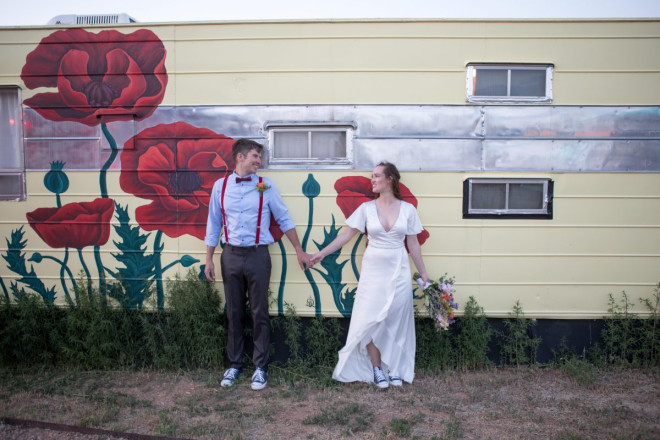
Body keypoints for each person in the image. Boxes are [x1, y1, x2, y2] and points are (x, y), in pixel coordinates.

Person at [205, 138, 312, 391]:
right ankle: (234, 365)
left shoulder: (264, 185)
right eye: (255, 156)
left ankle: (260, 367)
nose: (259, 161)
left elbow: (283, 217)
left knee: (259, 312)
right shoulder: (220, 187)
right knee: (233, 312)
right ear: (240, 157)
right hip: (229, 255)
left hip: (257, 255)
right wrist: (208, 258)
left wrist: (299, 250)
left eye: (259, 156)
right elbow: (213, 222)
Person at [311, 161, 429, 388]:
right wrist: (320, 254)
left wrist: (424, 274)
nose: (372, 180)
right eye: (372, 176)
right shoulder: (366, 208)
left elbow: (413, 244)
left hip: (399, 269)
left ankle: (395, 367)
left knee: (397, 317)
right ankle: (377, 369)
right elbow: (345, 236)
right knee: (371, 318)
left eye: (376, 176)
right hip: (373, 270)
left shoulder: (408, 210)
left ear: (390, 179)